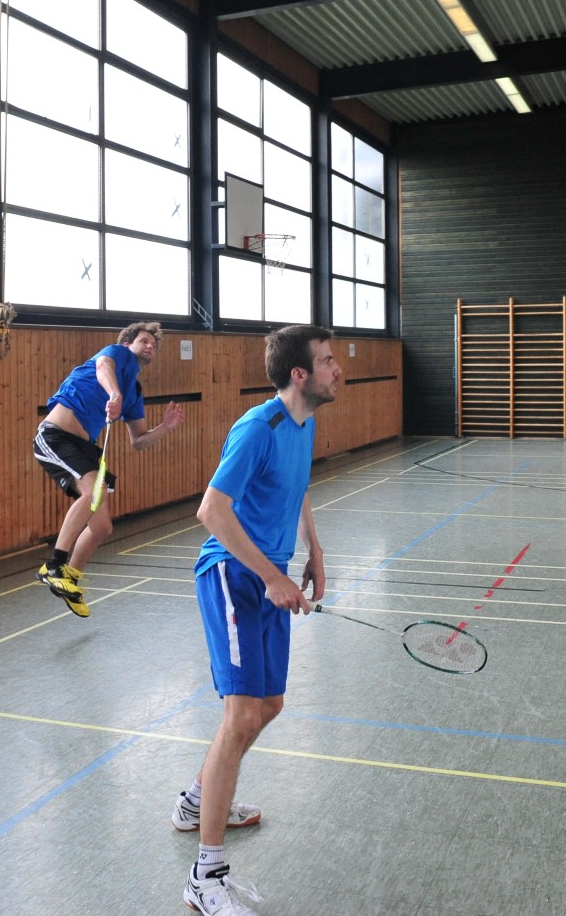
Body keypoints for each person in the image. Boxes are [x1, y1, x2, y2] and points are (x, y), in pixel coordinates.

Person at [176, 325, 340, 916]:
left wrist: (313, 550)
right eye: (327, 361)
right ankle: (205, 877)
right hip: (232, 574)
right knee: (242, 714)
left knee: (269, 705)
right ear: (300, 374)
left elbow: (297, 489)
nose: (337, 369)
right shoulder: (258, 428)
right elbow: (211, 510)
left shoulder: (304, 422)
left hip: (270, 572)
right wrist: (271, 577)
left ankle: (198, 801)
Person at [32, 321, 184, 617]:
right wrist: (114, 395)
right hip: (55, 436)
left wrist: (165, 427)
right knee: (93, 492)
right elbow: (103, 368)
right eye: (144, 341)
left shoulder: (133, 391)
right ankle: (54, 566)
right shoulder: (116, 354)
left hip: (83, 447)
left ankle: (70, 579)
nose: (150, 346)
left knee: (101, 527)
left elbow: (138, 441)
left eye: (153, 344)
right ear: (128, 344)